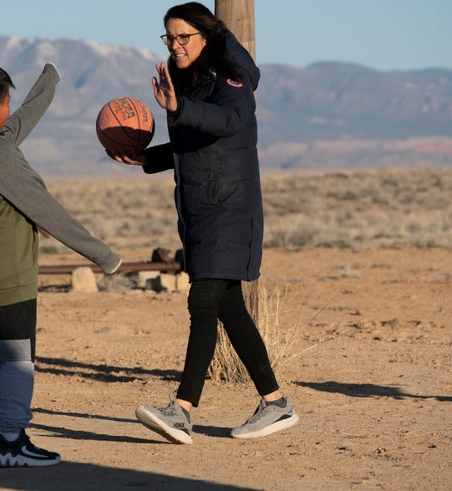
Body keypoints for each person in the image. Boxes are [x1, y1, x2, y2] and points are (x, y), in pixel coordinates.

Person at [106, 2, 298, 444]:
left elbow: (232, 120)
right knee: (230, 308)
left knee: (203, 303)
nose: (175, 45)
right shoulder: (194, 83)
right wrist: (143, 157)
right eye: (168, 38)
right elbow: (191, 143)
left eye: (183, 37)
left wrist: (179, 106)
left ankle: (182, 410)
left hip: (229, 209)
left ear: (205, 37)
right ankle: (276, 403)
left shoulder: (231, 78)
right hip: (203, 210)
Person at [0, 62, 121, 466]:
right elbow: (47, 211)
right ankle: (12, 441)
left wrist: (48, 83)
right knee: (17, 361)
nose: (8, 110)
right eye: (4, 103)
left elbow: (15, 126)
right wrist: (104, 256)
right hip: (9, 275)